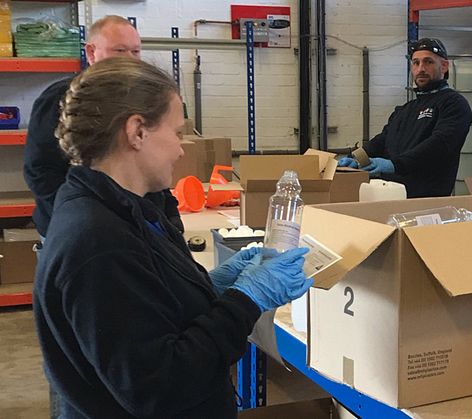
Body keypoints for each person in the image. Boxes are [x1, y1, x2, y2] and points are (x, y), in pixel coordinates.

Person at [33, 57, 313, 418]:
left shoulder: (127, 208)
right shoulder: (97, 242)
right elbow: (160, 385)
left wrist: (208, 287)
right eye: (177, 133)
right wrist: (247, 298)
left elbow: (146, 307)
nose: (182, 149)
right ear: (137, 132)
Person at [23, 15, 185, 237]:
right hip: (85, 229)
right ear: (91, 52)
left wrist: (169, 216)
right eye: (120, 51)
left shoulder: (140, 99)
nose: (130, 59)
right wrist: (75, 221)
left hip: (133, 227)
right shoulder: (62, 99)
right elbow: (41, 171)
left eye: (135, 51)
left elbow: (150, 164)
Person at [339, 38, 472, 198]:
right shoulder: (405, 109)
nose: (421, 69)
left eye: (428, 62)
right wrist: (356, 156)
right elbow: (382, 140)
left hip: (426, 202)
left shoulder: (454, 104)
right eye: (416, 63)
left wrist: (395, 165)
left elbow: (440, 145)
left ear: (444, 66)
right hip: (390, 196)